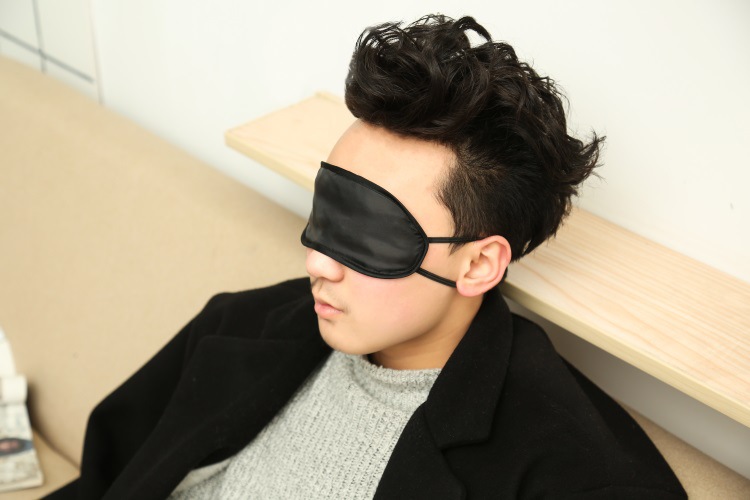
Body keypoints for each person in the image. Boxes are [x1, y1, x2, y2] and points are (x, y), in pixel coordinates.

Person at [47, 14, 686, 500]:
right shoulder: (243, 325)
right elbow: (105, 474)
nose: (317, 264)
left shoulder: (576, 473)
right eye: (328, 213)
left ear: (476, 265)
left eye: (370, 235)